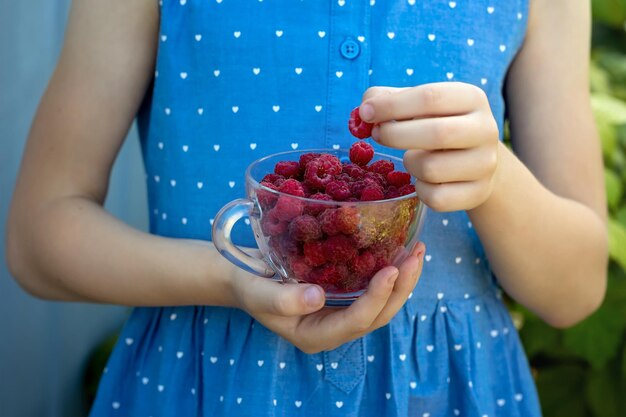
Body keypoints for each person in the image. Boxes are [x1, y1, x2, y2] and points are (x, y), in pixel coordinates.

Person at [6, 0, 607, 416]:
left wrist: (494, 174)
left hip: (443, 392)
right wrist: (228, 276)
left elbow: (574, 288)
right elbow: (39, 237)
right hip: (205, 386)